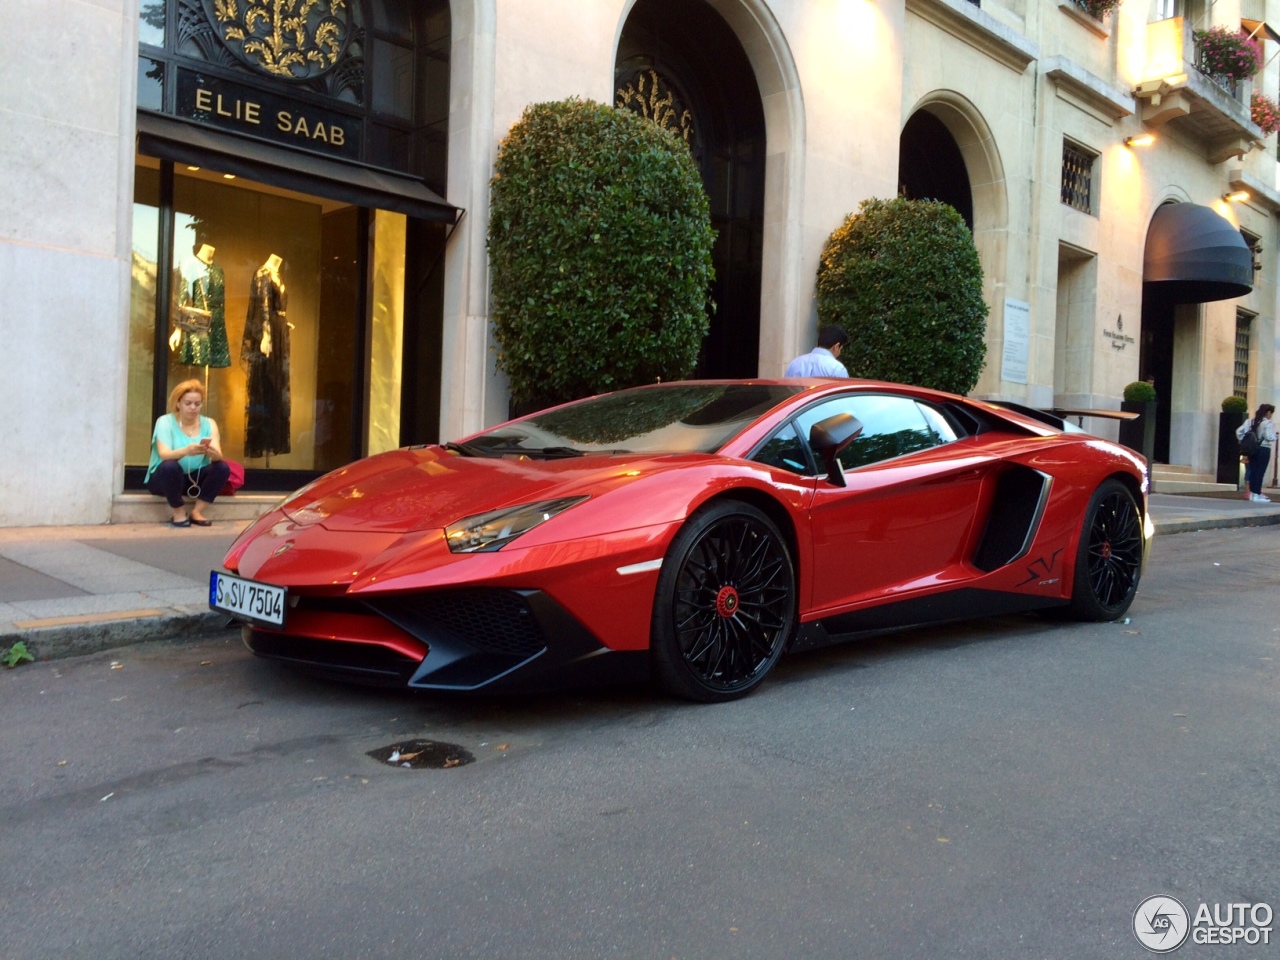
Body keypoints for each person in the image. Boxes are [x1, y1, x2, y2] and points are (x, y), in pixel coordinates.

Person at [145, 379, 232, 526]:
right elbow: (164, 454)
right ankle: (178, 511)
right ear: (178, 403)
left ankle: (197, 511)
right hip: (165, 479)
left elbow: (218, 455)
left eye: (197, 404)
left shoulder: (209, 423)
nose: (193, 408)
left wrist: (211, 453)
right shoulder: (165, 421)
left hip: (194, 478)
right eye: (188, 403)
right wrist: (186, 451)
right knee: (169, 466)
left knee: (222, 467)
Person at [1236, 403, 1277, 503]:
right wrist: (1275, 437)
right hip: (1263, 449)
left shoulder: (1250, 421)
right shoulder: (1267, 423)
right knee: (1260, 472)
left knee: (1253, 471)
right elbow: (1268, 436)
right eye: (1271, 413)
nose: (1271, 416)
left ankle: (1252, 494)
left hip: (1252, 449)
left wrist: (1243, 440)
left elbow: (1239, 431)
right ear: (1268, 413)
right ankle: (1257, 493)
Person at [785, 325, 849, 378]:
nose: (840, 352)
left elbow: (785, 390)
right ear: (836, 346)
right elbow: (843, 393)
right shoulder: (837, 368)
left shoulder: (795, 363)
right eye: (841, 348)